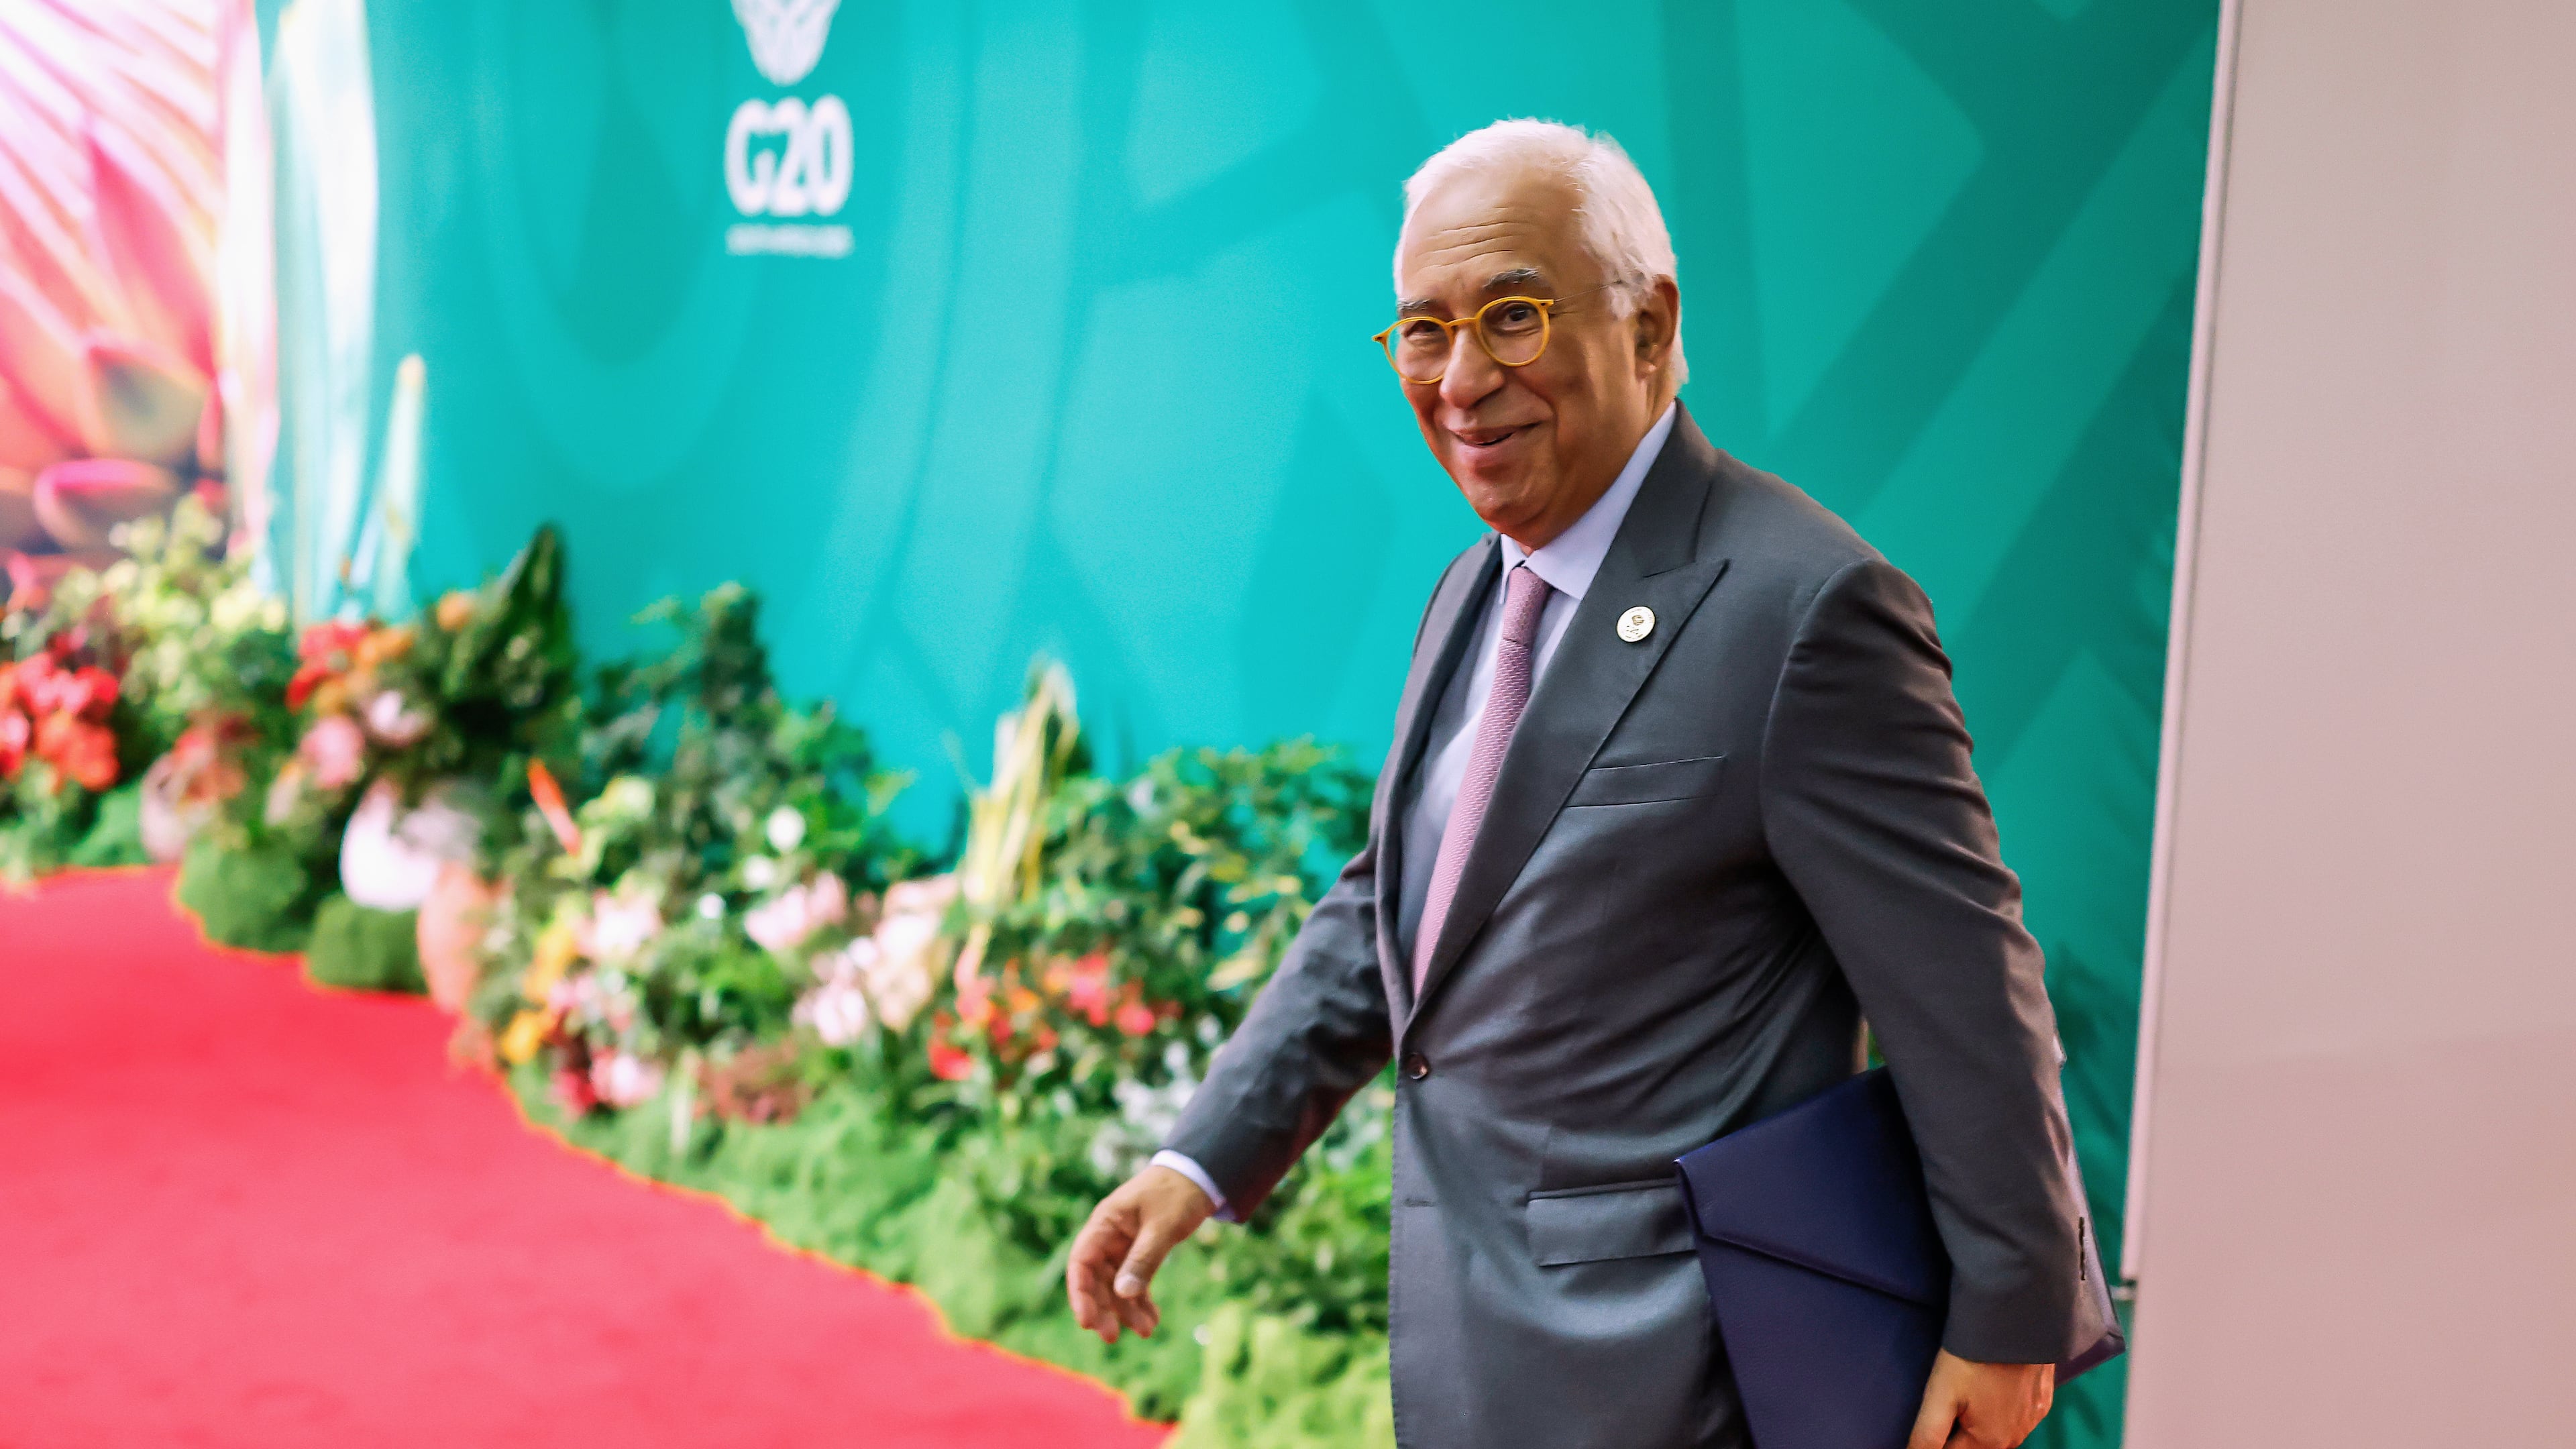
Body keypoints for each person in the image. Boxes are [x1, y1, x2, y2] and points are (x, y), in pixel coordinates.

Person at [1065, 118, 2091, 1449]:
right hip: (1476, 1356)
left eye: (1513, 315)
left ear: (1652, 328)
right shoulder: (1475, 586)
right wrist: (1198, 1161)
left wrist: (2008, 1318)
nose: (1461, 376)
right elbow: (1397, 910)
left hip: (1689, 1375)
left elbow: (1969, 992)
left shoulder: (1807, 607)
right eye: (1422, 331)